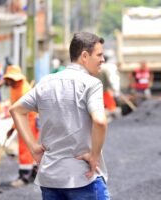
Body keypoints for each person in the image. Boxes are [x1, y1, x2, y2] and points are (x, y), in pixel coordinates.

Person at [9, 32, 110, 199]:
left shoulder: (46, 82)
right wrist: (94, 156)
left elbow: (16, 110)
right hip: (83, 178)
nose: (103, 59)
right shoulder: (92, 84)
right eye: (99, 55)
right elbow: (100, 121)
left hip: (50, 179)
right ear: (85, 56)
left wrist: (34, 148)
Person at [3, 65, 39, 187]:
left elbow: (22, 112)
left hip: (29, 120)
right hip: (22, 119)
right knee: (30, 147)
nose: (8, 82)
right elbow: (16, 111)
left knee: (25, 148)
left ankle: (25, 176)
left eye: (10, 79)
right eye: (8, 79)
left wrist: (14, 127)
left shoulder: (24, 90)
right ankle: (34, 172)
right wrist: (12, 128)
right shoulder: (14, 88)